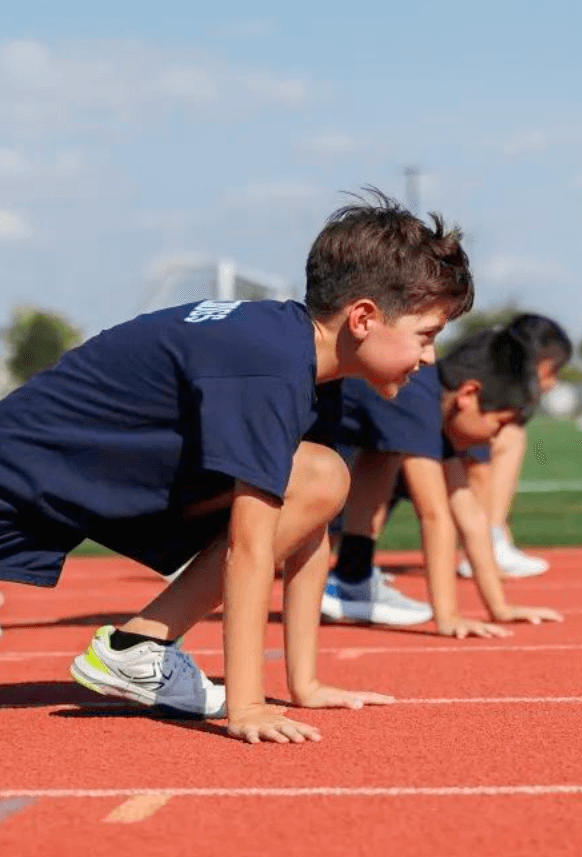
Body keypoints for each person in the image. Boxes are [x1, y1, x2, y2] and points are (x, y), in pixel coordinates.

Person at [0, 190, 474, 744]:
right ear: (364, 318)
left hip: (71, 477)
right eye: (427, 334)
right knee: (313, 480)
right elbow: (252, 547)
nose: (429, 357)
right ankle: (137, 647)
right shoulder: (269, 367)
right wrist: (246, 707)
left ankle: (138, 646)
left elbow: (310, 520)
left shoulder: (308, 360)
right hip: (20, 481)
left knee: (322, 477)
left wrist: (306, 684)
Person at [322, 325, 563, 636]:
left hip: (319, 438)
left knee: (383, 454)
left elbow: (471, 516)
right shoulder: (417, 398)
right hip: (276, 440)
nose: (496, 436)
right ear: (468, 394)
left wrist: (499, 607)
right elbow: (435, 516)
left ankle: (351, 576)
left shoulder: (434, 400)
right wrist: (448, 617)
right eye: (500, 422)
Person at [457, 313, 572, 579]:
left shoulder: (499, 370)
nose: (553, 382)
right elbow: (475, 463)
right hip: (409, 447)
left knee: (509, 435)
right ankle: (487, 544)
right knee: (501, 441)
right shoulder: (486, 375)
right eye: (552, 370)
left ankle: (494, 539)